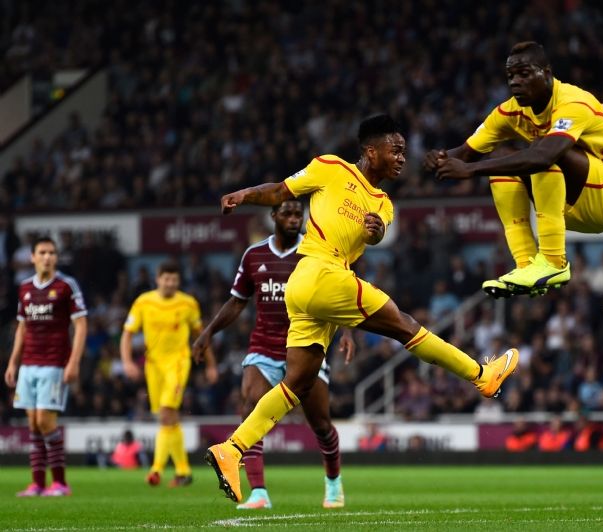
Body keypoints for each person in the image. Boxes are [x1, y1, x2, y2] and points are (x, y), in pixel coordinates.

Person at [205, 114, 519, 504]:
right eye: (396, 150)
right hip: (320, 271)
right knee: (405, 326)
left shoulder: (384, 203)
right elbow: (280, 190)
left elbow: (378, 232)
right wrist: (243, 194)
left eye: (404, 152)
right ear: (371, 151)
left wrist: (376, 231)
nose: (402, 158)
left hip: (307, 286)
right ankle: (481, 376)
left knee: (297, 384)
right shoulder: (330, 167)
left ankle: (232, 449)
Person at [426, 41, 603, 298]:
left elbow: (544, 156)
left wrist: (471, 170)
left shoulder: (573, 102)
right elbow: (464, 153)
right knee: (501, 158)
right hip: (578, 202)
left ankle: (554, 263)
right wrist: (437, 158)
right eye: (511, 76)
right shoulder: (509, 111)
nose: (515, 82)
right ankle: (527, 266)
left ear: (547, 73)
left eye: (524, 73)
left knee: (542, 151)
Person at [192, 199, 355, 509]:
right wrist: (208, 332)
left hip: (306, 347)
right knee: (251, 407)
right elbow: (237, 301)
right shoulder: (254, 255)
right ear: (273, 216)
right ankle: (259, 493)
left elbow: (342, 292)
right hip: (264, 348)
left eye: (298, 214)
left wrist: (347, 332)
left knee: (321, 424)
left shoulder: (317, 251)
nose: (294, 219)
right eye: (287, 213)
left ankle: (334, 484)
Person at [120, 261, 218, 488]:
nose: (170, 283)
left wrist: (211, 365)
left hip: (178, 363)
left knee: (166, 413)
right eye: (166, 278)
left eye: (174, 279)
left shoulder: (188, 303)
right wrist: (126, 361)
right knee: (168, 418)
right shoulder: (143, 302)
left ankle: (157, 469)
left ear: (178, 281)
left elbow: (201, 336)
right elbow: (127, 334)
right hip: (153, 366)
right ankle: (183, 471)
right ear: (158, 279)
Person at [4, 236, 87, 497]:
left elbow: (81, 325)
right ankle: (37, 484)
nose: (47, 257)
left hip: (54, 363)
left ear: (56, 257)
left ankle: (60, 483)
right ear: (32, 257)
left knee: (45, 421)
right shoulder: (24, 288)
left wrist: (73, 361)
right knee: (32, 425)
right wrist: (13, 362)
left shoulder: (66, 285)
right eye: (42, 252)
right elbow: (22, 327)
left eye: (52, 253)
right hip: (28, 364)